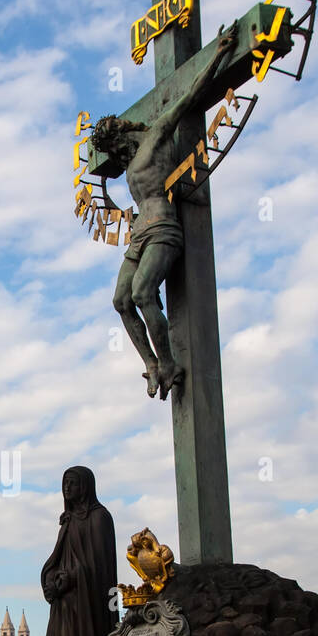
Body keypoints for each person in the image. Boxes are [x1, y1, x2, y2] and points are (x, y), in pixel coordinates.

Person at [92, 21, 237, 400]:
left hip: (163, 227)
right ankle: (152, 364)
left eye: (115, 145)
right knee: (121, 300)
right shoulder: (126, 162)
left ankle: (169, 362)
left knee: (143, 293)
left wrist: (219, 55)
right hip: (140, 231)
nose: (114, 155)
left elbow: (189, 97)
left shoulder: (155, 136)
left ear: (123, 134)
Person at [41, 467, 117, 636]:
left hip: (88, 609)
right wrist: (51, 579)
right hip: (63, 608)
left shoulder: (100, 518)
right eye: (64, 484)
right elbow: (56, 559)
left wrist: (71, 578)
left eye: (72, 483)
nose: (67, 489)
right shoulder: (68, 521)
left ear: (85, 486)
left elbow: (100, 569)